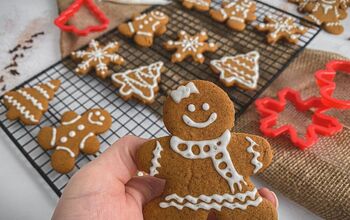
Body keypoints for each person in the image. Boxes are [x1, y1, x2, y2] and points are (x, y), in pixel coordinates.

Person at [52, 136, 279, 220]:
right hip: (182, 198)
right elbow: (148, 155)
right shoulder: (170, 149)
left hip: (233, 193)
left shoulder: (237, 146)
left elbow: (257, 152)